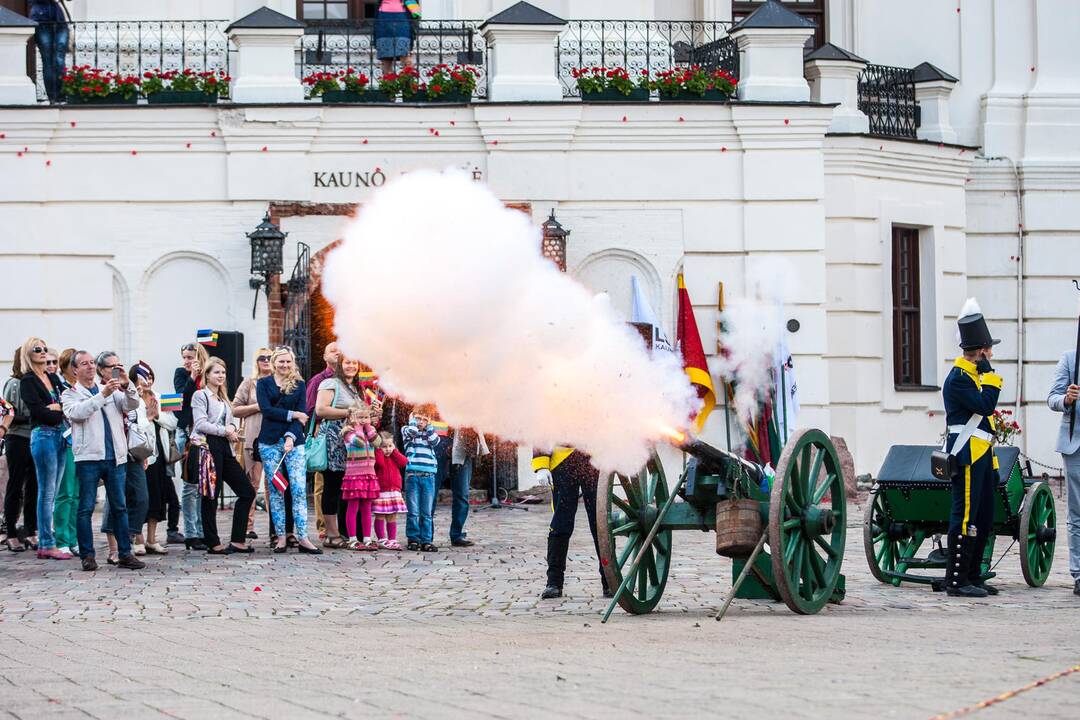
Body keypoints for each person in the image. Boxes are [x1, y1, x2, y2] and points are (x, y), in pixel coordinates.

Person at [940, 299, 1004, 598]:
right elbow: (985, 406)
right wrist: (991, 378)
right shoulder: (959, 379)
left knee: (984, 515)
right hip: (966, 454)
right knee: (964, 517)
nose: (991, 354)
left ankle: (974, 574)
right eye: (988, 349)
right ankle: (956, 580)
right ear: (980, 352)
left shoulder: (973, 377)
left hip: (982, 454)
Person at [61, 350, 144, 571]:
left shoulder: (112, 390)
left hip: (115, 456)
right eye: (84, 364)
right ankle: (88, 555)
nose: (89, 366)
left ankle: (125, 553)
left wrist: (128, 385)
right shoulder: (70, 394)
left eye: (91, 363)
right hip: (88, 458)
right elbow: (78, 413)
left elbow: (132, 405)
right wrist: (102, 395)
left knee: (120, 507)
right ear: (75, 370)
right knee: (85, 508)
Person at [187, 357, 255, 555]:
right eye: (216, 372)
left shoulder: (224, 399)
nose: (221, 376)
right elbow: (200, 424)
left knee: (247, 491)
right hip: (208, 446)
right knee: (211, 495)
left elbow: (233, 420)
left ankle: (238, 540)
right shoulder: (201, 396)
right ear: (207, 375)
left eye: (223, 372)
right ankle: (212, 542)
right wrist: (225, 430)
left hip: (226, 448)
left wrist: (232, 428)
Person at [257, 347, 321, 555]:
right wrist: (292, 414)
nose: (285, 365)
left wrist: (291, 436)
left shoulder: (300, 385)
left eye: (288, 362)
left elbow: (303, 416)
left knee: (299, 489)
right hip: (269, 441)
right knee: (276, 490)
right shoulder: (263, 384)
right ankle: (281, 536)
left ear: (293, 363)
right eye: (281, 361)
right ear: (274, 362)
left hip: (294, 441)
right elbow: (267, 410)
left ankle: (303, 536)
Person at [534, 446, 611, 600]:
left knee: (600, 523)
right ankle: (554, 582)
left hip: (594, 458)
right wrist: (541, 465)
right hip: (563, 460)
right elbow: (542, 428)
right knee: (560, 523)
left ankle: (609, 580)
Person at [99, 353, 152, 562]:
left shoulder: (127, 390)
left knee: (141, 498)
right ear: (101, 370)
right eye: (111, 367)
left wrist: (126, 382)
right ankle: (115, 549)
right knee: (115, 500)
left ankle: (127, 538)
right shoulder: (100, 391)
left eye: (119, 365)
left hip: (133, 449)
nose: (116, 370)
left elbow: (135, 410)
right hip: (113, 450)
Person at [20, 337, 70, 560]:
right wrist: (57, 409)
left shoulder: (51, 377)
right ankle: (46, 543)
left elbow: (65, 403)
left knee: (55, 490)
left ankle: (47, 542)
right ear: (28, 354)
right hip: (44, 436)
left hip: (60, 435)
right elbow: (39, 413)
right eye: (36, 349)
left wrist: (57, 407)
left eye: (44, 348)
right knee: (47, 492)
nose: (42, 352)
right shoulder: (28, 380)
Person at [314, 354, 362, 549]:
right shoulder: (330, 383)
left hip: (349, 444)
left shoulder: (355, 388)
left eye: (354, 362)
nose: (351, 366)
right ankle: (331, 534)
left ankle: (345, 532)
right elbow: (320, 410)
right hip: (333, 441)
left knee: (345, 489)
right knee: (332, 487)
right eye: (347, 362)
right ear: (340, 365)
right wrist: (348, 413)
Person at [1047, 344, 1080, 596]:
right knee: (1077, 513)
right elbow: (1052, 398)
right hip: (1075, 444)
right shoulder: (1070, 359)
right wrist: (1067, 399)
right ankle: (1079, 573)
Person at [135, 362, 176, 554]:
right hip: (140, 453)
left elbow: (173, 422)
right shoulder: (132, 400)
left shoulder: (161, 397)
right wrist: (148, 417)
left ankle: (152, 538)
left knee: (157, 497)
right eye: (143, 377)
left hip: (160, 453)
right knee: (140, 497)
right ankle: (139, 539)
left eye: (150, 376)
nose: (148, 380)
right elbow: (137, 426)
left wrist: (157, 415)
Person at [231, 347, 273, 540]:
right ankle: (248, 526)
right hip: (253, 438)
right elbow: (235, 409)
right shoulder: (249, 383)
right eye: (262, 358)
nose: (266, 360)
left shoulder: (279, 382)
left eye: (269, 357)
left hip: (274, 437)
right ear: (257, 362)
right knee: (253, 484)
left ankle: (277, 527)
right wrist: (258, 406)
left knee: (274, 485)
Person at [174, 342, 208, 549]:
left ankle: (203, 530)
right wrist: (192, 377)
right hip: (187, 433)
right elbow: (181, 403)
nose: (187, 361)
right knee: (190, 485)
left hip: (207, 434)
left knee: (205, 485)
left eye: (191, 357)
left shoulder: (210, 373)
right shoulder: (181, 374)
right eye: (185, 357)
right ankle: (191, 533)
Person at [2, 349, 36, 552]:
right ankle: (11, 533)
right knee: (15, 486)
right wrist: (39, 415)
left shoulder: (38, 382)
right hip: (18, 438)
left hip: (36, 438)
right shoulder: (14, 383)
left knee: (34, 487)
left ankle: (31, 530)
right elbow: (9, 412)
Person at [306, 341, 339, 540]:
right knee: (322, 484)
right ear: (325, 357)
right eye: (332, 350)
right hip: (324, 437)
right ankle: (323, 527)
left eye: (340, 350)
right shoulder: (319, 380)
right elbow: (310, 407)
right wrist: (317, 423)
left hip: (342, 440)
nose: (337, 353)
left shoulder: (348, 380)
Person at [341, 405, 381, 551]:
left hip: (369, 474)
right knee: (353, 507)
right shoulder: (347, 431)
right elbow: (358, 442)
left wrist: (369, 428)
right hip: (354, 475)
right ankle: (352, 538)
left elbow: (378, 443)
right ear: (352, 418)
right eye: (360, 417)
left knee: (366, 507)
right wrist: (358, 428)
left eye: (366, 417)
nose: (363, 420)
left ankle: (367, 538)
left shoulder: (370, 431)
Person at [401, 403, 441, 552]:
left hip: (429, 475)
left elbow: (435, 442)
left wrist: (429, 427)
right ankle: (413, 538)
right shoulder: (407, 430)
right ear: (412, 418)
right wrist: (413, 422)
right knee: (413, 511)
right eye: (418, 418)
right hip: (413, 475)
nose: (421, 422)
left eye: (424, 419)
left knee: (426, 512)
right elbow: (410, 431)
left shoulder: (430, 433)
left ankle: (426, 540)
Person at [52, 348, 79, 556]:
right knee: (66, 492)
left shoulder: (83, 387)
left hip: (83, 443)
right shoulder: (59, 386)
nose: (79, 369)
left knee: (78, 493)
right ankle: (61, 538)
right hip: (66, 441)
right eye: (75, 364)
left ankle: (74, 537)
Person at [446, 427, 488, 547]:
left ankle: (456, 534)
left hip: (462, 451)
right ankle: (424, 537)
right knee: (431, 496)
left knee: (462, 495)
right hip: (440, 448)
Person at [29, 0, 71, 103]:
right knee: (47, 60)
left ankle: (61, 95)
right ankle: (52, 96)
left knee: (59, 60)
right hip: (41, 20)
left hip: (60, 21)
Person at [373, 430, 407, 550]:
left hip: (394, 491)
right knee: (380, 515)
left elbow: (404, 462)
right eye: (384, 447)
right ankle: (382, 539)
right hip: (382, 492)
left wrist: (395, 451)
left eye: (390, 446)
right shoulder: (378, 456)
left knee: (392, 516)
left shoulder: (394, 456)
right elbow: (380, 464)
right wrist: (378, 451)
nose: (387, 449)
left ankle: (392, 539)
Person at [374, 0, 417, 76]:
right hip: (383, 21)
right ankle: (389, 86)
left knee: (405, 57)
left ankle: (405, 85)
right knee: (386, 59)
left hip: (402, 19)